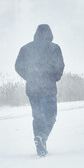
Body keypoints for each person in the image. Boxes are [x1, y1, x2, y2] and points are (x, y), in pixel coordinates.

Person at [15, 24, 64, 157]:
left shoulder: (26, 48)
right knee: (51, 116)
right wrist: (55, 77)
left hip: (32, 88)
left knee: (37, 116)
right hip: (48, 87)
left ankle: (39, 139)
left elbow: (18, 66)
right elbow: (60, 65)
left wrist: (29, 77)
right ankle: (42, 137)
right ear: (49, 33)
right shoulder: (54, 48)